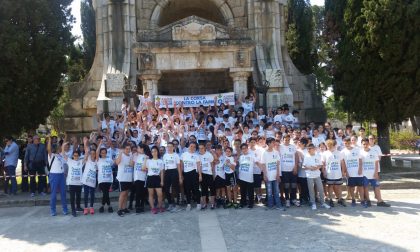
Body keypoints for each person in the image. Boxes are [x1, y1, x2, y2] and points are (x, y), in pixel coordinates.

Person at [360, 138, 391, 207]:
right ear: (361, 145)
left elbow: (376, 163)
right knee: (365, 187)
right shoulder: (360, 152)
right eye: (363, 144)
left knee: (377, 186)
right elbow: (360, 164)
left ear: (369, 144)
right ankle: (368, 200)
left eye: (366, 144)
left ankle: (379, 201)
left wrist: (376, 173)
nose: (365, 145)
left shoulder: (373, 152)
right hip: (364, 174)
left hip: (373, 174)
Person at [302, 144, 331, 210]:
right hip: (309, 176)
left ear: (314, 149)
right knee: (311, 190)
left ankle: (322, 203)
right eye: (308, 149)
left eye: (310, 148)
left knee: (321, 189)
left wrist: (316, 167)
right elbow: (303, 166)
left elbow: (320, 165)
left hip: (317, 175)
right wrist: (309, 167)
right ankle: (313, 203)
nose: (309, 150)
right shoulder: (306, 156)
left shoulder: (318, 155)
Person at [47, 136, 68, 216]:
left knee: (63, 193)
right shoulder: (51, 155)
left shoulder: (61, 155)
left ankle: (65, 209)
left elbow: (63, 147)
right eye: (58, 147)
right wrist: (49, 140)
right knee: (53, 194)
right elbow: (48, 149)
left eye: (60, 147)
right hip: (54, 175)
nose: (60, 148)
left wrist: (64, 140)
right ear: (55, 149)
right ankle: (53, 210)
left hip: (61, 175)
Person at [341, 137, 364, 207]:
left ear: (350, 143)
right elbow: (343, 163)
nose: (347, 144)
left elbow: (360, 160)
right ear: (343, 143)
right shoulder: (342, 152)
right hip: (349, 173)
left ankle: (362, 200)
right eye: (345, 143)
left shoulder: (357, 150)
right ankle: (353, 199)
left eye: (348, 143)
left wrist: (360, 169)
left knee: (360, 186)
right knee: (351, 187)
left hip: (358, 172)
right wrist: (344, 172)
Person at [322, 139, 346, 207]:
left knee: (338, 186)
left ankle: (340, 199)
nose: (329, 147)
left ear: (334, 145)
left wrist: (343, 171)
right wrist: (324, 172)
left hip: (338, 173)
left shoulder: (339, 153)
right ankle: (330, 200)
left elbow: (342, 163)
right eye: (327, 146)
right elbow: (323, 164)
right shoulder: (325, 153)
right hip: (329, 173)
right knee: (330, 186)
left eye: (330, 146)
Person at [261, 138, 283, 210]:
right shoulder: (264, 153)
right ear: (268, 143)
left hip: (275, 175)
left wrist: (278, 174)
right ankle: (270, 205)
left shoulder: (276, 152)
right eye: (273, 142)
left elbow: (278, 164)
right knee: (269, 192)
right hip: (268, 176)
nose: (274, 144)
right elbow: (263, 165)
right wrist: (264, 175)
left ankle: (278, 206)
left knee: (276, 191)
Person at [143, 146, 165, 214]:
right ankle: (153, 208)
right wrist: (145, 160)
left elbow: (161, 172)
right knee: (151, 194)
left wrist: (162, 181)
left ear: (157, 152)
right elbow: (144, 168)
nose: (154, 153)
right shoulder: (149, 161)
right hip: (150, 178)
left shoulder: (160, 161)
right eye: (152, 151)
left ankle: (160, 206)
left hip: (157, 178)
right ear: (151, 153)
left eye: (155, 151)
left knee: (160, 194)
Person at [279, 135, 299, 207]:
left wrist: (295, 166)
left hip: (292, 169)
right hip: (284, 169)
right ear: (283, 140)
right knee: (286, 185)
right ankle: (287, 199)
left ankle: (293, 199)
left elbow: (296, 157)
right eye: (285, 140)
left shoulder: (293, 146)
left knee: (293, 185)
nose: (286, 141)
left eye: (288, 140)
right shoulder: (280, 147)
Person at [180, 142, 201, 211]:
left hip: (194, 173)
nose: (192, 148)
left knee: (196, 189)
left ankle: (198, 203)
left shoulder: (196, 155)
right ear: (188, 146)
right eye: (191, 146)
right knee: (187, 189)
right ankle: (188, 204)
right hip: (186, 174)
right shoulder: (183, 155)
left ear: (195, 148)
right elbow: (182, 165)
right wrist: (181, 175)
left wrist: (200, 175)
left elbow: (198, 166)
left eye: (194, 147)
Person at [115, 143, 134, 217]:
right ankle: (119, 209)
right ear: (124, 149)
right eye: (126, 149)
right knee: (122, 194)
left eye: (129, 149)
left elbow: (132, 165)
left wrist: (131, 156)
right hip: (122, 178)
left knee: (126, 194)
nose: (128, 150)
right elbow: (117, 162)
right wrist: (120, 153)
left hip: (128, 178)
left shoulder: (130, 156)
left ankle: (124, 208)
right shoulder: (120, 155)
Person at [64, 148, 84, 217]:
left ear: (79, 156)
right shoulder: (70, 161)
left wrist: (85, 144)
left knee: (78, 196)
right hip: (71, 183)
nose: (76, 156)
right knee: (72, 198)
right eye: (74, 155)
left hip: (79, 183)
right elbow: (63, 154)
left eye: (77, 155)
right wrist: (63, 146)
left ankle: (78, 207)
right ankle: (73, 210)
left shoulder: (81, 161)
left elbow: (87, 155)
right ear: (73, 156)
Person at [163, 142, 182, 212]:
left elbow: (178, 167)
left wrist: (180, 176)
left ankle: (177, 205)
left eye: (171, 146)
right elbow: (164, 166)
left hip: (174, 171)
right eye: (168, 146)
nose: (169, 148)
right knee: (166, 189)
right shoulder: (165, 156)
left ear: (173, 147)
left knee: (175, 188)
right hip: (167, 172)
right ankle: (170, 204)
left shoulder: (176, 155)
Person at [96, 139, 114, 214]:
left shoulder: (109, 160)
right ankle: (109, 206)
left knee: (105, 193)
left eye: (104, 153)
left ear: (106, 153)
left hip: (109, 179)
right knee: (105, 193)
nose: (103, 154)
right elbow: (96, 152)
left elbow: (114, 164)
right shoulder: (98, 160)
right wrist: (100, 144)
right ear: (100, 153)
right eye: (102, 153)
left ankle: (102, 206)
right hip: (101, 180)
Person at [81, 138, 98, 215]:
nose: (92, 154)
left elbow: (98, 170)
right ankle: (85, 208)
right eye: (91, 153)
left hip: (93, 181)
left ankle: (91, 207)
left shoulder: (97, 161)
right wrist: (85, 142)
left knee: (92, 194)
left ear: (95, 154)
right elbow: (86, 150)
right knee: (86, 194)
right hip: (86, 180)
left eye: (94, 153)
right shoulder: (87, 159)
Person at [198, 142, 216, 209]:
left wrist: (213, 174)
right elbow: (199, 166)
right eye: (199, 148)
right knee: (203, 189)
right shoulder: (198, 156)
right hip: (202, 174)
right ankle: (204, 204)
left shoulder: (209, 155)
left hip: (209, 174)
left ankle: (212, 204)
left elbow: (212, 165)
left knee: (212, 189)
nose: (201, 149)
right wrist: (200, 175)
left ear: (204, 148)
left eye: (202, 148)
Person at [133, 144, 150, 213]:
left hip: (143, 177)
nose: (137, 149)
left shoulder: (147, 157)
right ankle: (137, 206)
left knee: (143, 192)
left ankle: (142, 205)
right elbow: (131, 164)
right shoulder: (135, 156)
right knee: (137, 192)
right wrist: (133, 156)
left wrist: (146, 161)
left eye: (138, 148)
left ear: (142, 149)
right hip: (137, 177)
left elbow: (147, 168)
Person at [238, 143, 255, 208]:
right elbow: (240, 165)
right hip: (242, 176)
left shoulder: (251, 155)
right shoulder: (241, 157)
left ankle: (251, 203)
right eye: (242, 148)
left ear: (247, 149)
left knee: (250, 191)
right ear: (241, 150)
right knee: (242, 191)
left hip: (249, 176)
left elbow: (256, 162)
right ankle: (243, 202)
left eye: (245, 148)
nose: (244, 149)